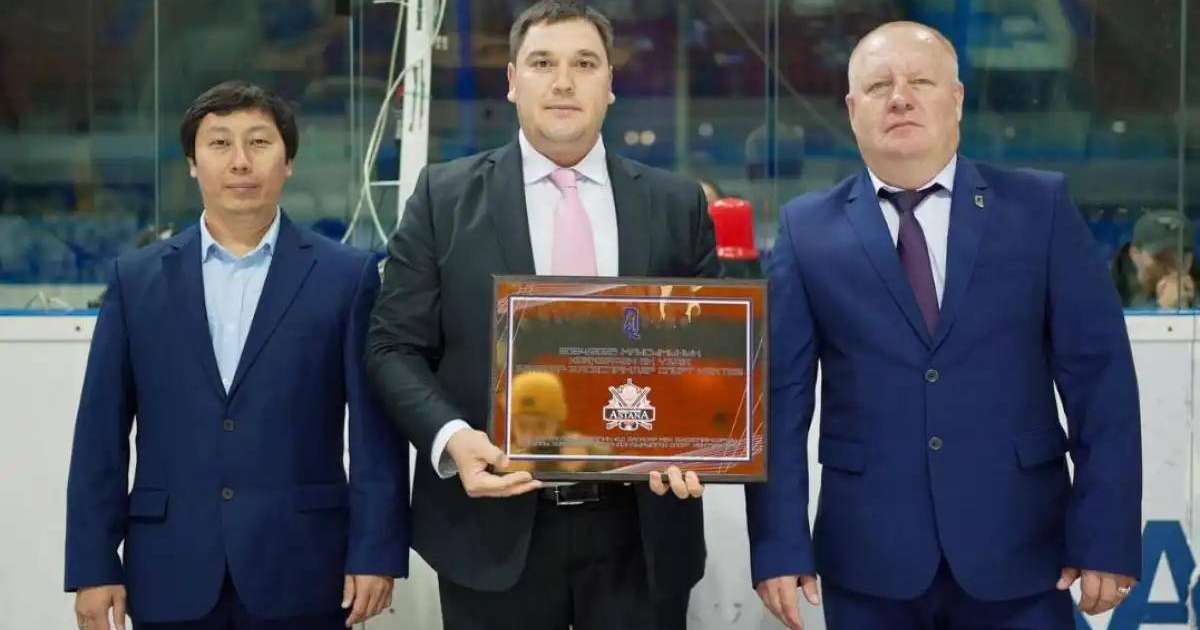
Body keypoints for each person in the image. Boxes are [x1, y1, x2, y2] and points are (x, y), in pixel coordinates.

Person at [746, 22, 1142, 630]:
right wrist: (778, 545)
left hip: (1023, 552)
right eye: (879, 85)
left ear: (956, 99)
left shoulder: (1040, 210)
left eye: (920, 81)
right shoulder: (807, 230)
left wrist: (1106, 536)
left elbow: (1101, 384)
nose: (900, 97)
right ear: (853, 110)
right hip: (868, 561)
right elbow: (780, 401)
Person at [365, 2, 719, 628]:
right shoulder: (441, 198)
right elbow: (392, 347)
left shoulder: (676, 203)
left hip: (641, 536)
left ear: (611, 84)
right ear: (511, 81)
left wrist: (697, 442)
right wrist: (454, 441)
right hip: (492, 530)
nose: (562, 81)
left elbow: (707, 357)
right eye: (542, 63)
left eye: (584, 64)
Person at [65, 80, 409, 630]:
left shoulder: (347, 277)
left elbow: (374, 431)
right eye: (220, 143)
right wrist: (92, 564)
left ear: (288, 161)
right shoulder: (137, 280)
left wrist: (376, 552)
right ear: (192, 164)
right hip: (169, 566)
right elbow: (100, 435)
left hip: (303, 565)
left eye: (259, 142)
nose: (241, 161)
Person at [1112, 209, 1197, 309]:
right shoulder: (1110, 294)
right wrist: (1164, 309)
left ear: (1189, 261)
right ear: (1135, 255)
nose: (1170, 269)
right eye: (1160, 258)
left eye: (1178, 258)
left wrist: (1189, 307)